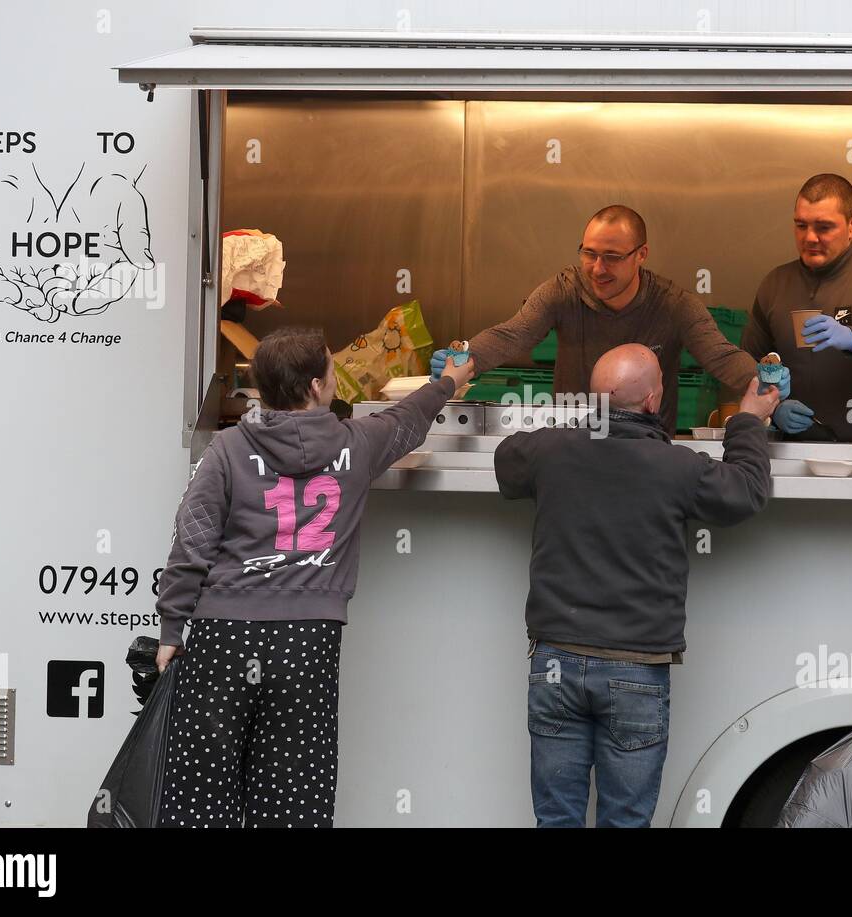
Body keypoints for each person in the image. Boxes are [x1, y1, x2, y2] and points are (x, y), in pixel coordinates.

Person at [152, 326, 474, 827]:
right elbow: (408, 420)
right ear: (314, 388)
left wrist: (173, 627)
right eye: (329, 369)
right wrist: (448, 383)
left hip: (222, 636)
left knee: (202, 792)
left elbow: (192, 538)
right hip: (307, 639)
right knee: (293, 794)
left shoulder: (229, 448)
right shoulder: (358, 442)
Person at [494, 343, 780, 827]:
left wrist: (576, 430)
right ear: (652, 402)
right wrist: (748, 420)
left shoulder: (549, 451)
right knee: (626, 820)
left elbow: (506, 461)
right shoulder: (680, 468)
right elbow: (747, 491)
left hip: (555, 663)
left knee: (555, 818)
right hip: (637, 670)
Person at [431, 205, 758, 434]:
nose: (598, 269)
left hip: (647, 450)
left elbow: (721, 356)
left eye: (612, 257)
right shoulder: (563, 291)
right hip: (573, 443)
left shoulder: (673, 304)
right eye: (589, 253)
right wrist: (465, 357)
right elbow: (511, 336)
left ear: (641, 255)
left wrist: (767, 385)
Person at [741, 173, 852, 442]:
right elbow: (747, 361)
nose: (810, 237)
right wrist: (773, 409)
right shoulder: (775, 285)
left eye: (824, 227)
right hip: (794, 448)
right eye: (801, 225)